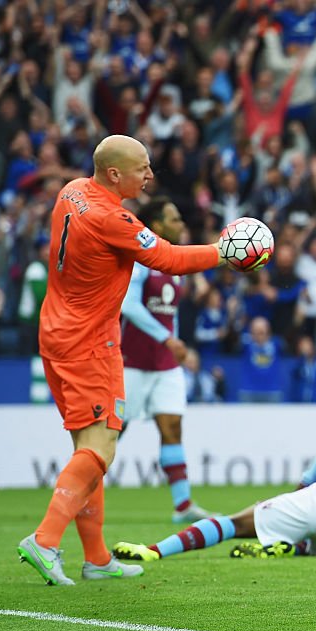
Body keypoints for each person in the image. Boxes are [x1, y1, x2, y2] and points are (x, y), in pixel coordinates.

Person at [17, 134, 258, 587]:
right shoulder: (113, 218)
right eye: (142, 168)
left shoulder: (71, 191)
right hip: (90, 343)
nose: (150, 175)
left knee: (87, 448)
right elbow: (167, 258)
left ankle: (96, 557)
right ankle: (46, 540)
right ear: (114, 174)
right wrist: (225, 253)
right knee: (101, 448)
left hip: (56, 330)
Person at [112, 417, 316, 561]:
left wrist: (274, 510)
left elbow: (303, 488)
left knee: (236, 523)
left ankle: (155, 551)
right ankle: (291, 546)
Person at [120, 196, 216, 523]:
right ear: (157, 225)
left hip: (165, 363)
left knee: (172, 426)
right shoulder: (140, 261)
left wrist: (178, 347)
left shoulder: (173, 265)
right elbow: (129, 306)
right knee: (111, 432)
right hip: (131, 360)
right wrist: (168, 339)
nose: (181, 225)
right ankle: (82, 493)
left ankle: (183, 505)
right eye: (174, 219)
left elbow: (168, 316)